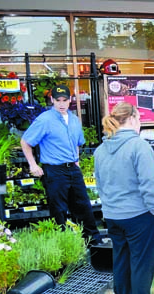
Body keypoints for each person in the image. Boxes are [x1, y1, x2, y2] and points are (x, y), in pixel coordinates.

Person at [94, 102, 154, 294]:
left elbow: (99, 184)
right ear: (134, 118)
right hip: (138, 214)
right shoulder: (139, 146)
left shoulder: (101, 149)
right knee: (141, 264)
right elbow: (149, 184)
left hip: (113, 215)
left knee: (122, 262)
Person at [20, 85, 101, 244]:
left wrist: (76, 160)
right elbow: (25, 142)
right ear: (52, 100)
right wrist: (33, 165)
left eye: (65, 100)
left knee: (83, 206)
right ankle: (63, 244)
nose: (62, 104)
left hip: (72, 169)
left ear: (70, 100)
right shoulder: (44, 119)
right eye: (58, 100)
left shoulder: (75, 120)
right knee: (59, 210)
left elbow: (77, 143)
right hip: (55, 171)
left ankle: (93, 242)